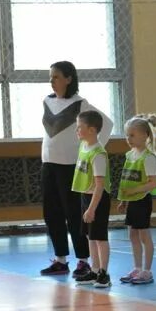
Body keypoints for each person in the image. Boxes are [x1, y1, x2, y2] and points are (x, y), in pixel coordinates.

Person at [39, 61, 113, 278]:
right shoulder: (47, 101)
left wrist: (92, 152)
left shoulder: (80, 103)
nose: (52, 81)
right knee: (51, 213)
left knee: (75, 214)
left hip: (71, 166)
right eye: (50, 77)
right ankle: (60, 259)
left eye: (56, 77)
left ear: (69, 79)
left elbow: (106, 124)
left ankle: (83, 260)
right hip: (48, 164)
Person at [117, 114, 156, 285]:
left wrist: (135, 191)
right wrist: (124, 200)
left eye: (132, 135)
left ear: (145, 135)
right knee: (132, 235)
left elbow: (154, 183)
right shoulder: (130, 155)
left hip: (143, 200)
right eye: (127, 135)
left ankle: (147, 271)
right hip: (132, 201)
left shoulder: (148, 157)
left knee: (144, 235)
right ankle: (137, 268)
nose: (128, 138)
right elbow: (128, 180)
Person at [71, 110, 112, 289]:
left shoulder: (98, 154)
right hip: (85, 196)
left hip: (98, 199)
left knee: (100, 237)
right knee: (90, 236)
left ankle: (104, 273)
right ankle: (94, 270)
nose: (77, 130)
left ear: (92, 130)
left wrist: (92, 208)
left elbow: (99, 184)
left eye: (80, 127)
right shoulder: (83, 147)